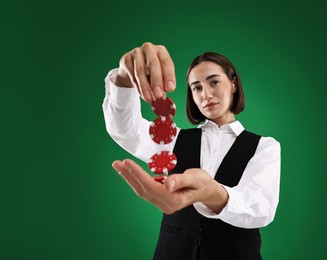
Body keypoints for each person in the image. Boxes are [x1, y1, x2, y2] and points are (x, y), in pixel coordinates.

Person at [102, 42, 281, 260]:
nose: (206, 94)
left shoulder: (264, 146)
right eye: (197, 87)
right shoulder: (173, 139)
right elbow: (127, 130)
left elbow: (261, 208)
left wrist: (209, 192)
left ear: (234, 84)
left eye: (214, 82)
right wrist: (123, 79)